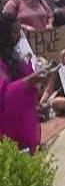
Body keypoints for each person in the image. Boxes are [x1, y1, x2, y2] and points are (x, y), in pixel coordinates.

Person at [0, 13, 48, 154]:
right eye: (15, 32)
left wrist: (40, 79)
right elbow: (4, 95)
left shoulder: (13, 54)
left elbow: (27, 77)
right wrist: (30, 80)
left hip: (25, 121)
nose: (19, 36)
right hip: (7, 128)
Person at [39, 48, 65, 117]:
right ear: (62, 60)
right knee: (56, 102)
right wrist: (42, 102)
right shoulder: (56, 72)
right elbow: (49, 90)